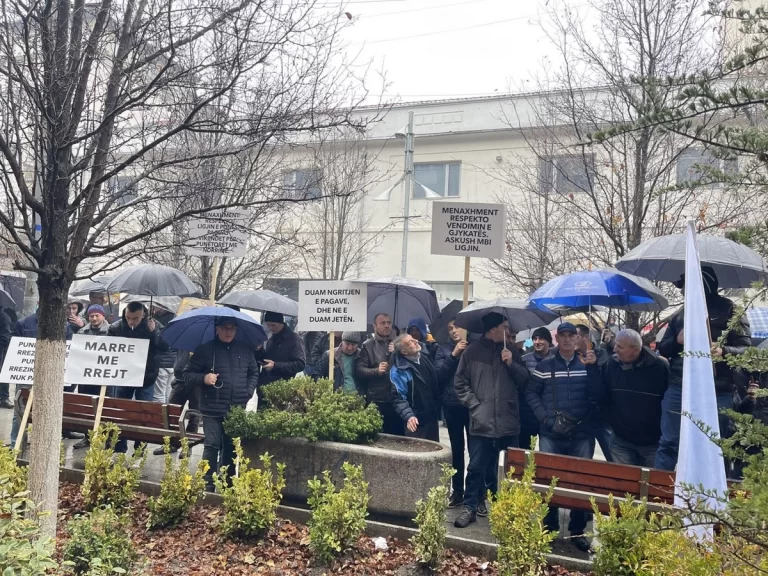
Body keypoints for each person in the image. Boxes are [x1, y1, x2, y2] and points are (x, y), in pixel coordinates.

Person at [655, 266, 751, 472]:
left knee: (716, 446)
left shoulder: (732, 312)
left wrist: (723, 351)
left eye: (685, 287)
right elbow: (662, 348)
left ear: (702, 286)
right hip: (680, 387)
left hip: (718, 390)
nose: (682, 293)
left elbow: (746, 351)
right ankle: (658, 496)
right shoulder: (680, 315)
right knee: (669, 443)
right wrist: (677, 340)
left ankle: (715, 499)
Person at [526, 322, 600, 551]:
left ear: (578, 339)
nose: (567, 339)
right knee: (549, 481)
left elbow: (599, 394)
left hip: (581, 434)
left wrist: (595, 368)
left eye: (572, 336)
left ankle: (577, 530)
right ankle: (550, 528)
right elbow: (530, 392)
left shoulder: (587, 363)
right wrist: (545, 418)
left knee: (580, 482)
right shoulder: (545, 365)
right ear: (557, 339)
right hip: (551, 433)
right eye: (563, 336)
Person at [453, 312, 529, 529]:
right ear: (492, 329)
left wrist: (512, 363)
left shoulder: (512, 350)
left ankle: (511, 509)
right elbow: (459, 384)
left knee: (512, 469)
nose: (508, 331)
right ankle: (470, 507)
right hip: (482, 421)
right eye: (505, 327)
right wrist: (476, 406)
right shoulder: (472, 352)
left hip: (508, 420)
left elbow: (525, 381)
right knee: (476, 467)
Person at [184, 318, 258, 491]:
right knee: (212, 444)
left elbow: (254, 372)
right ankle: (207, 483)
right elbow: (187, 375)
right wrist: (204, 378)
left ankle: (228, 482)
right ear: (217, 329)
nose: (228, 331)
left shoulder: (245, 349)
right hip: (212, 407)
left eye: (232, 328)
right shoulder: (205, 350)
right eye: (225, 328)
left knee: (231, 447)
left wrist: (247, 391)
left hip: (236, 407)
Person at [9, 307, 82, 447]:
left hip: (49, 374)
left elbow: (68, 349)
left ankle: (28, 444)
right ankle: (16, 444)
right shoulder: (24, 323)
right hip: (26, 373)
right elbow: (14, 347)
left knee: (35, 409)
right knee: (21, 409)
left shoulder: (63, 325)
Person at [596, 329, 669, 467]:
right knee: (624, 485)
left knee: (650, 485)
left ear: (635, 350)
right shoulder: (611, 364)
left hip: (653, 443)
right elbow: (603, 395)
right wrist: (611, 420)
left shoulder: (660, 368)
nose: (615, 349)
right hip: (620, 440)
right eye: (615, 344)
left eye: (620, 346)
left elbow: (669, 402)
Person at [108, 301, 168, 453]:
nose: (131, 321)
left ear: (143, 315)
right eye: (128, 318)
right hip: (124, 376)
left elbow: (165, 347)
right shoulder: (116, 327)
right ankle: (119, 447)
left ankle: (140, 448)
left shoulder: (154, 325)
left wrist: (154, 333)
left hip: (146, 377)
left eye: (135, 318)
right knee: (121, 412)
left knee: (143, 414)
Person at [389, 333, 455, 442]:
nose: (415, 341)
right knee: (418, 453)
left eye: (413, 339)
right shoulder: (399, 370)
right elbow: (398, 398)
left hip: (431, 416)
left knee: (434, 452)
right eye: (410, 342)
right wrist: (409, 416)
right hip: (416, 420)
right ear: (404, 352)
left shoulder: (424, 356)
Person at [434, 320, 468, 508]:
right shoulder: (443, 349)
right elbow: (438, 375)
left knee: (476, 450)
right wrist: (454, 355)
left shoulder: (474, 347)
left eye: (457, 326)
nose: (454, 330)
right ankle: (458, 491)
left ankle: (475, 494)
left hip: (472, 406)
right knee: (457, 450)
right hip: (452, 404)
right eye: (450, 328)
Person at [356, 312, 402, 435]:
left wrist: (398, 352)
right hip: (377, 399)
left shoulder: (400, 343)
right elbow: (359, 370)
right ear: (375, 326)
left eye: (389, 323)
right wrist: (376, 371)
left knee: (397, 438)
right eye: (383, 323)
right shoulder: (368, 346)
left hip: (398, 399)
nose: (387, 326)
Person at [575, 323, 613, 462]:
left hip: (601, 416)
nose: (572, 339)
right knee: (584, 460)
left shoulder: (602, 354)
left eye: (576, 336)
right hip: (583, 417)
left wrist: (593, 365)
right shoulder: (572, 357)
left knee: (613, 457)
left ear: (585, 338)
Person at [519, 327, 554, 449]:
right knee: (527, 455)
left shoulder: (556, 361)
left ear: (549, 341)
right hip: (528, 414)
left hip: (549, 414)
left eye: (541, 338)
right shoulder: (524, 360)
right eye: (534, 338)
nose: (537, 342)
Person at [255, 311, 306, 396]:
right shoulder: (271, 339)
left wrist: (275, 366)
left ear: (280, 323)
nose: (271, 328)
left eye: (273, 325)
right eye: (268, 325)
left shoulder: (294, 339)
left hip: (282, 389)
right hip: (265, 387)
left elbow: (300, 364)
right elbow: (267, 359)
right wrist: (259, 350)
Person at [152, 304, 176, 403]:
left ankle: (160, 417)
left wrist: (154, 330)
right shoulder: (176, 319)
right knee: (168, 394)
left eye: (156, 307)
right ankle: (167, 416)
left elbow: (160, 342)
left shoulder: (158, 322)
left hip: (162, 362)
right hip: (174, 361)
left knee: (158, 394)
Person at [0, 308, 12, 409]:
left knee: (2, 374)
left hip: (1, 350)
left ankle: (4, 398)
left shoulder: (4, 317)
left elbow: (5, 337)